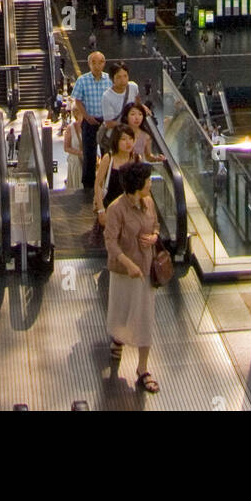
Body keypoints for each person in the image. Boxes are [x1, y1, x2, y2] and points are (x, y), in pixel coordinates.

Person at [104, 161, 160, 392]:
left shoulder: (148, 202)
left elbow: (155, 225)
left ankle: (143, 368)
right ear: (138, 184)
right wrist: (128, 265)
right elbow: (110, 242)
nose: (150, 184)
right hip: (125, 271)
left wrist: (154, 237)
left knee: (145, 316)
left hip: (145, 270)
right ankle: (118, 337)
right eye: (147, 181)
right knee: (122, 309)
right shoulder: (116, 209)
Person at [70, 50, 111, 191]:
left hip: (105, 123)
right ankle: (88, 187)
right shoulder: (82, 80)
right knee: (89, 154)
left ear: (104, 64)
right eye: (93, 62)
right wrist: (86, 116)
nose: (96, 65)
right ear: (89, 64)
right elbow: (78, 100)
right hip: (89, 122)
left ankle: (108, 183)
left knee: (107, 153)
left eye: (100, 62)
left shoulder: (109, 79)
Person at [94, 125, 137, 226]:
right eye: (123, 139)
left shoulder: (136, 158)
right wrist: (101, 210)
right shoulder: (108, 158)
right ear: (116, 141)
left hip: (131, 211)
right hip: (110, 209)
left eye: (131, 139)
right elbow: (98, 184)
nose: (128, 143)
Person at [100, 61, 139, 143]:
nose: (123, 80)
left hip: (130, 136)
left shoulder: (133, 87)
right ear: (112, 78)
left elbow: (137, 105)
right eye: (119, 77)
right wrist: (127, 125)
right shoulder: (107, 96)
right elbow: (109, 123)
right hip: (114, 138)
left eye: (125, 76)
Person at [63, 111, 83, 192]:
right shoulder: (70, 128)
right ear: (76, 114)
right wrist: (80, 153)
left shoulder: (89, 127)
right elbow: (66, 148)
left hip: (87, 162)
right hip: (75, 162)